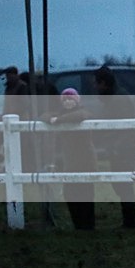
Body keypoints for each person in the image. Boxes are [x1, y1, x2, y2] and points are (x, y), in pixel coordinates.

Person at [43, 88, 97, 230]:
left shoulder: (83, 112)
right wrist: (51, 118)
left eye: (70, 99)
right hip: (70, 162)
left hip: (85, 160)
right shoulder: (60, 113)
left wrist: (59, 120)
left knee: (86, 193)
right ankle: (78, 224)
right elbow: (45, 116)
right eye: (65, 99)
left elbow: (81, 115)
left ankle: (88, 225)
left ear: (77, 100)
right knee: (70, 193)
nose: (67, 102)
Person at [94, 66, 135, 228]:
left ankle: (130, 220)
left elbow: (125, 126)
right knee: (121, 184)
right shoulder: (115, 96)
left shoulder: (118, 98)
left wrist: (116, 146)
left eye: (98, 83)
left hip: (124, 147)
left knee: (123, 183)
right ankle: (130, 219)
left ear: (104, 83)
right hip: (120, 146)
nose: (96, 87)